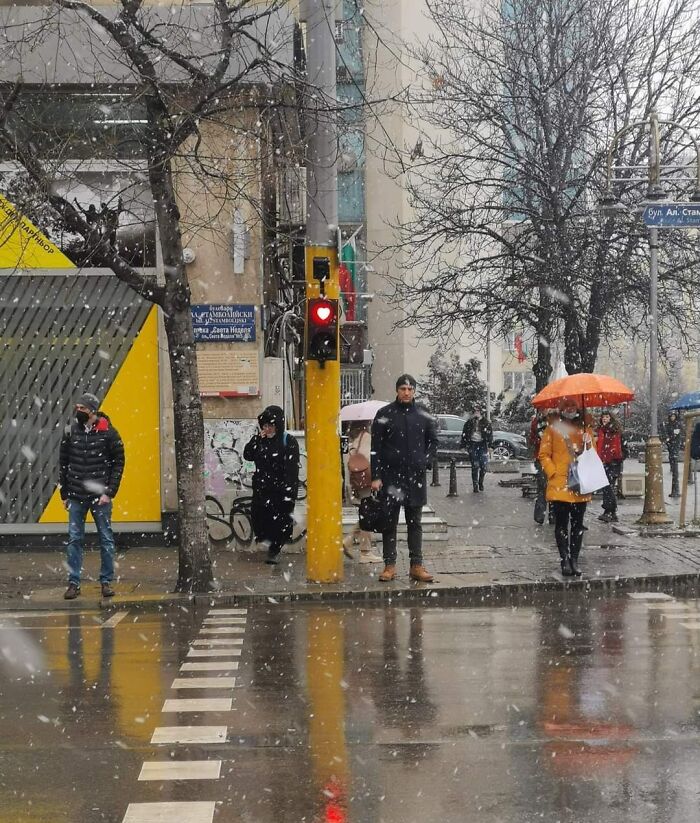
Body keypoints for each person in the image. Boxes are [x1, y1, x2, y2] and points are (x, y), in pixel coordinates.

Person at [371, 374, 438, 583]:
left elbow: (433, 442)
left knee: (414, 523)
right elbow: (375, 448)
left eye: (410, 389)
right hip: (391, 478)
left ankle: (416, 565)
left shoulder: (423, 414)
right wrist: (376, 476)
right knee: (389, 523)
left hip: (415, 477)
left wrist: (425, 461)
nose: (406, 392)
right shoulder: (384, 414)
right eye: (403, 389)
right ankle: (389, 565)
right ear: (397, 390)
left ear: (414, 391)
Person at [60, 393, 125, 600]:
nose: (78, 411)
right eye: (77, 407)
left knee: (106, 538)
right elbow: (63, 463)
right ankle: (73, 583)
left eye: (83, 408)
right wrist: (64, 494)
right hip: (76, 495)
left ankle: (106, 582)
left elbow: (119, 462)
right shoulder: (71, 431)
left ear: (93, 410)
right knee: (74, 540)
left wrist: (109, 492)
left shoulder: (109, 433)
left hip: (100, 497)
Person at [538, 398, 594, 577]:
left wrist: (588, 443)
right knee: (561, 524)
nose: (570, 409)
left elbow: (593, 455)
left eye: (573, 406)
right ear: (561, 409)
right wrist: (553, 472)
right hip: (560, 485)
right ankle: (565, 560)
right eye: (567, 406)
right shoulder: (552, 429)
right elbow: (544, 454)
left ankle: (574, 560)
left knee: (578, 525)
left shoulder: (585, 429)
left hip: (579, 484)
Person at [243, 405, 300, 564]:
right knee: (259, 520)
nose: (267, 429)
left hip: (280, 491)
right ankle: (269, 544)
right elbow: (248, 455)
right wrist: (257, 439)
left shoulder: (288, 441)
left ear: (278, 425)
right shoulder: (260, 440)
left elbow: (292, 470)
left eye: (270, 425)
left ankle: (274, 551)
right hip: (262, 490)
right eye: (265, 425)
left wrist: (289, 492)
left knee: (279, 523)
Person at [343, 421, 383, 563]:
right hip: (366, 482)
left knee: (365, 514)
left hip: (356, 482)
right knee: (368, 515)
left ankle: (348, 541)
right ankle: (365, 552)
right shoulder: (366, 438)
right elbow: (369, 460)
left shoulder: (353, 439)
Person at [596, 411, 624, 522]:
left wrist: (615, 459)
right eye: (603, 417)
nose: (604, 419)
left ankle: (610, 511)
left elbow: (620, 448)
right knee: (607, 487)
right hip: (605, 462)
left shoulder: (613, 431)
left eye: (607, 417)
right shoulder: (602, 431)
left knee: (608, 487)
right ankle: (610, 512)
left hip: (612, 463)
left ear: (611, 418)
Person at [460, 407, 493, 492]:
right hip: (472, 444)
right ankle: (475, 485)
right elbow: (464, 434)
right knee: (475, 465)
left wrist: (490, 446)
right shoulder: (469, 422)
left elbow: (490, 435)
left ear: (481, 412)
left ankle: (480, 482)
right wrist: (463, 446)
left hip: (482, 445)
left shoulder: (486, 422)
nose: (476, 413)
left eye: (478, 411)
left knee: (483, 466)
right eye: (475, 411)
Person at [664, 411, 683, 498]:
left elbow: (675, 436)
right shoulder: (668, 425)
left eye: (673, 416)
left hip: (674, 447)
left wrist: (669, 438)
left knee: (675, 469)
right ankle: (675, 490)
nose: (672, 417)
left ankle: (675, 490)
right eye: (671, 416)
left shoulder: (677, 425)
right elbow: (667, 435)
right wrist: (668, 440)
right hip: (671, 447)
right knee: (674, 467)